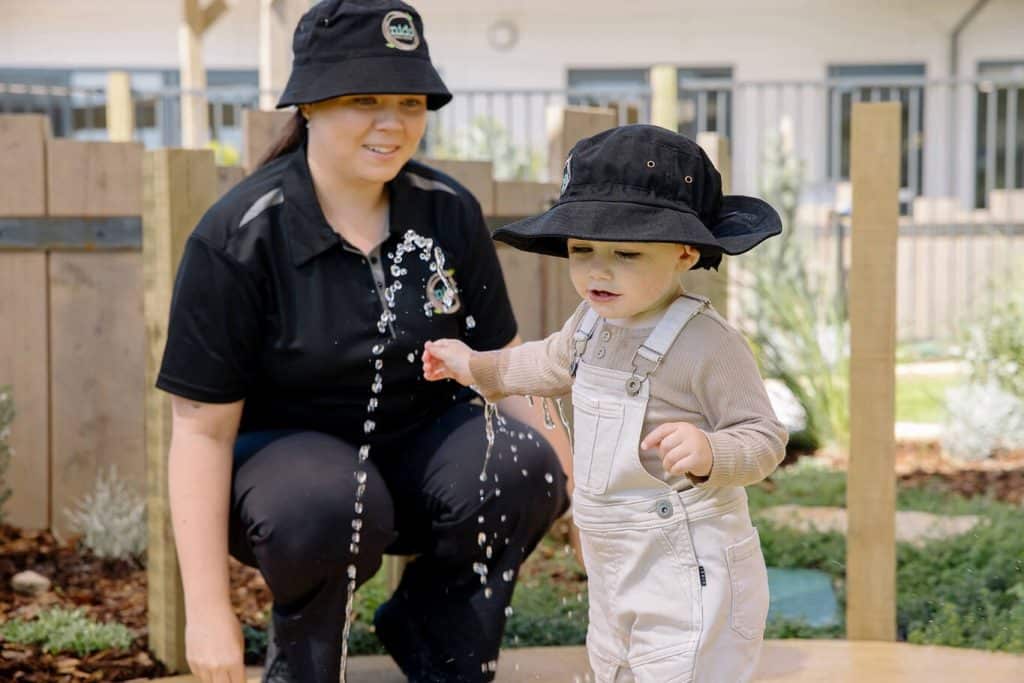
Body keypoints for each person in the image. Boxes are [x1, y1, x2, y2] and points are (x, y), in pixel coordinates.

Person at [155, 1, 569, 682]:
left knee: (525, 464)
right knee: (331, 500)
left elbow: (511, 366)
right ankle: (305, 663)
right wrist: (207, 609)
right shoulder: (239, 236)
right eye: (364, 98)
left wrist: (577, 481)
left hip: (422, 458)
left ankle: (438, 636)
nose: (393, 121)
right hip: (292, 485)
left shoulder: (447, 210)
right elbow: (199, 432)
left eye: (410, 100)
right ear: (309, 104)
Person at [423, 124, 789, 683]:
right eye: (582, 250)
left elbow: (764, 438)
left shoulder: (707, 343)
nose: (598, 269)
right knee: (613, 669)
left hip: (691, 567)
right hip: (614, 563)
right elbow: (544, 364)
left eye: (625, 253)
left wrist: (711, 450)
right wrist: (476, 367)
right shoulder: (590, 325)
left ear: (685, 253)